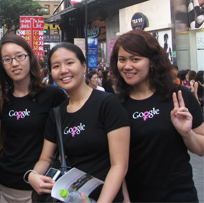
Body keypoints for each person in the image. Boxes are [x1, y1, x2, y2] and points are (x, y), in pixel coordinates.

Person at [28, 42, 130, 202]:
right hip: (70, 198)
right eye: (56, 66)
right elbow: (45, 158)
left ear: (83, 67)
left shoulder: (107, 104)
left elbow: (119, 165)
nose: (63, 70)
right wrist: (32, 175)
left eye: (69, 63)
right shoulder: (57, 113)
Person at [110, 29, 204, 202]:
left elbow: (201, 148)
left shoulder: (179, 96)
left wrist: (186, 133)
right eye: (122, 60)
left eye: (135, 59)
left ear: (152, 61)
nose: (127, 66)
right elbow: (115, 162)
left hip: (180, 196)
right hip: (137, 196)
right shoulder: (115, 105)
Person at [0, 34, 67, 202]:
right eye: (7, 59)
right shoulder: (3, 98)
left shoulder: (52, 95)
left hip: (37, 189)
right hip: (4, 187)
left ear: (30, 58)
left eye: (20, 56)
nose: (15, 64)